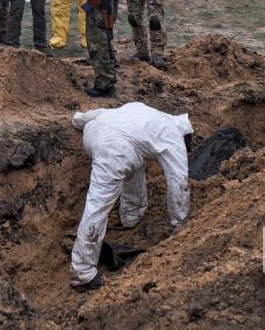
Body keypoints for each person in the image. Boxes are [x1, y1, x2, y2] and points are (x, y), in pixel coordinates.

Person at [69, 102, 192, 291]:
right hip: (112, 149)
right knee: (98, 204)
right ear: (183, 133)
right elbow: (179, 181)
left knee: (135, 159)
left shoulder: (142, 110)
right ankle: (82, 272)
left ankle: (131, 214)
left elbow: (98, 113)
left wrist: (78, 119)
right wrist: (180, 224)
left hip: (93, 133)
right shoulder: (173, 136)